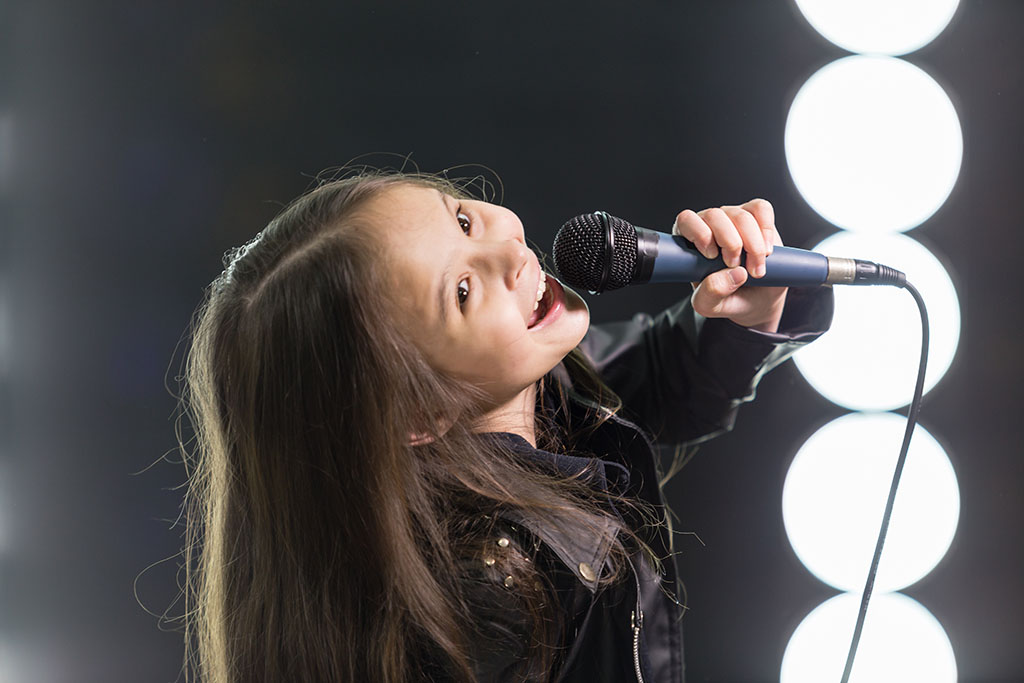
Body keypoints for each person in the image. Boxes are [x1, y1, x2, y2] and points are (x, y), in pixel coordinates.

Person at [179, 171, 833, 682]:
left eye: (464, 220)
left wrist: (752, 298)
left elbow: (663, 377)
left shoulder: (547, 380)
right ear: (421, 414)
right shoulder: (482, 606)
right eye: (462, 291)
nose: (509, 251)